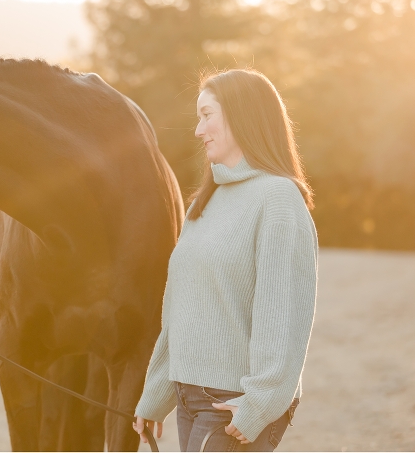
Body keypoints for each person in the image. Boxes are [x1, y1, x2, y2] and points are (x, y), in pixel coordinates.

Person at [132, 69, 318, 452]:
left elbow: (283, 317)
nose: (199, 131)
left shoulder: (279, 199)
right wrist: (158, 393)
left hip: (234, 403)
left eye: (206, 116)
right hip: (190, 398)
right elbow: (181, 310)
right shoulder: (205, 202)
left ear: (242, 115)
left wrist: (259, 404)